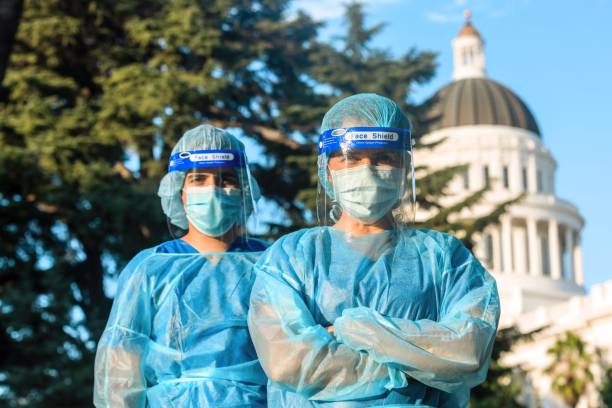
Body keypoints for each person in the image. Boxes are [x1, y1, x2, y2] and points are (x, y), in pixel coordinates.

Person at [247, 93, 500, 407]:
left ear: (404, 168)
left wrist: (352, 331)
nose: (366, 170)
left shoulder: (445, 259)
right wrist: (416, 363)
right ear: (327, 169)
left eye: (383, 157)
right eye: (351, 158)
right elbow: (288, 360)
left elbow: (468, 351)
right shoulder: (291, 258)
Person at [94, 124, 268, 407]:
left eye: (226, 179)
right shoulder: (151, 268)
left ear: (244, 189)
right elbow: (120, 370)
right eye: (199, 179)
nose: (213, 190)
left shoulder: (273, 265)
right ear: (179, 191)